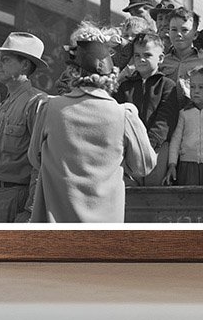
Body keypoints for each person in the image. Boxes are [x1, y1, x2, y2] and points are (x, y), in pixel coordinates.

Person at [29, 22, 156, 223]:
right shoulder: (124, 114)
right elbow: (144, 166)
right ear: (110, 74)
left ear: (72, 71)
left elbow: (34, 159)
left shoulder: (49, 109)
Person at [0, 32, 48, 223]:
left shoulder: (37, 103)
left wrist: (30, 211)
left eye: (5, 59)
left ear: (25, 65)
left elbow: (40, 164)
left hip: (15, 200)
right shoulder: (7, 103)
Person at [114, 31, 180, 185]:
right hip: (128, 149)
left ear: (161, 58)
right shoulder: (125, 86)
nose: (141, 59)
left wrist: (148, 145)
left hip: (157, 149)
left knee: (154, 191)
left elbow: (165, 120)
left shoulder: (167, 85)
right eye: (137, 55)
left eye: (147, 55)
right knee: (128, 191)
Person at [161, 7, 203, 94]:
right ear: (169, 32)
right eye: (174, 30)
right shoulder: (162, 62)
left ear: (195, 35)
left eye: (184, 30)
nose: (178, 34)